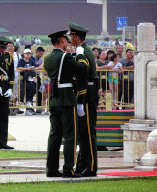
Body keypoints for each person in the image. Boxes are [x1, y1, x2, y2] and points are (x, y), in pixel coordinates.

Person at [44, 30, 88, 178]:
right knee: (70, 135)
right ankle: (68, 169)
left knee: (54, 134)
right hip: (67, 99)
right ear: (60, 41)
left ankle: (51, 169)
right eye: (65, 40)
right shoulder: (65, 57)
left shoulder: (47, 58)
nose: (67, 42)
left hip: (54, 98)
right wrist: (81, 55)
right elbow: (82, 69)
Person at [68, 22, 99, 177]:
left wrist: (80, 100)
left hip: (87, 94)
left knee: (87, 132)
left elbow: (82, 77)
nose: (70, 38)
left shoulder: (81, 51)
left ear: (77, 37)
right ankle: (82, 165)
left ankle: (91, 167)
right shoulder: (83, 49)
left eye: (71, 36)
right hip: (88, 93)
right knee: (82, 132)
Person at [17, 49, 38, 116]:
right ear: (24, 54)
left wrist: (33, 69)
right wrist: (27, 69)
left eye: (29, 53)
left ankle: (28, 103)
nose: (28, 55)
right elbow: (18, 68)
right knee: (23, 91)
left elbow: (35, 67)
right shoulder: (22, 61)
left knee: (32, 90)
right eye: (26, 53)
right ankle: (23, 103)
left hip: (31, 79)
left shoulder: (32, 61)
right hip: (23, 79)